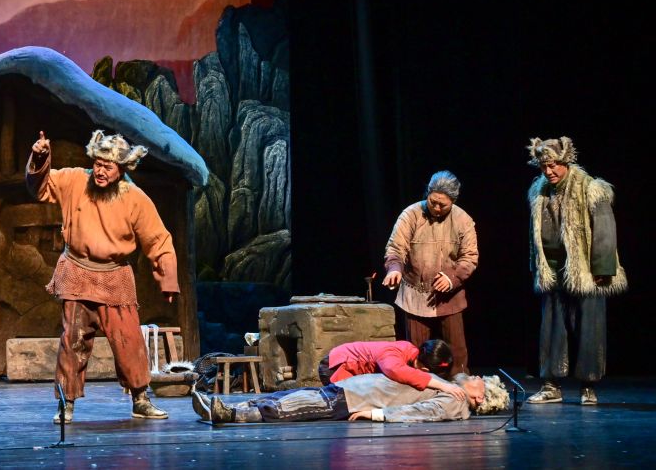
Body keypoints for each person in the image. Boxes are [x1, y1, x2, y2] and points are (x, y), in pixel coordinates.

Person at [26, 129, 180, 423]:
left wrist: (168, 278)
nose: (100, 171)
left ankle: (140, 399)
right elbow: (41, 186)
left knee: (129, 340)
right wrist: (40, 157)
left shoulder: (135, 198)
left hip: (114, 276)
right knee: (72, 340)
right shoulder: (74, 180)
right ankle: (66, 403)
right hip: (76, 272)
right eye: (97, 164)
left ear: (121, 169)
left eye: (108, 167)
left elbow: (158, 239)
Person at [525, 137, 627, 405]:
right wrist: (537, 266)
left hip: (586, 270)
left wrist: (602, 268)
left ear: (566, 161)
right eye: (544, 166)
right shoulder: (539, 190)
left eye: (554, 165)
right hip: (553, 269)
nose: (549, 171)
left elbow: (605, 229)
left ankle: (588, 386)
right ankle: (550, 385)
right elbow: (534, 235)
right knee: (551, 329)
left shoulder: (591, 188)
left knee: (589, 328)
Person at [381, 171, 478, 377]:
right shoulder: (411, 214)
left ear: (453, 201)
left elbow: (469, 257)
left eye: (443, 205)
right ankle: (417, 387)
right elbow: (396, 248)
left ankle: (459, 386)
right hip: (415, 294)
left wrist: (452, 278)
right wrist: (395, 269)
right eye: (433, 202)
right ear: (428, 194)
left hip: (449, 296)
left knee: (456, 352)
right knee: (416, 352)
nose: (436, 208)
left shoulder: (463, 220)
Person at [192, 373, 508, 424]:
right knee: (289, 396)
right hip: (352, 390)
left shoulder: (456, 401)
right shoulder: (450, 387)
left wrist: (378, 414)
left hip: (355, 400)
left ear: (480, 397)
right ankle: (227, 406)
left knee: (293, 406)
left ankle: (229, 415)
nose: (475, 375)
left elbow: (423, 412)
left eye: (480, 380)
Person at [318, 339, 466, 401]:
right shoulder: (394, 354)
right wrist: (442, 385)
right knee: (340, 403)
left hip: (348, 369)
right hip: (335, 367)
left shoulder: (411, 352)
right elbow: (396, 370)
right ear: (425, 369)